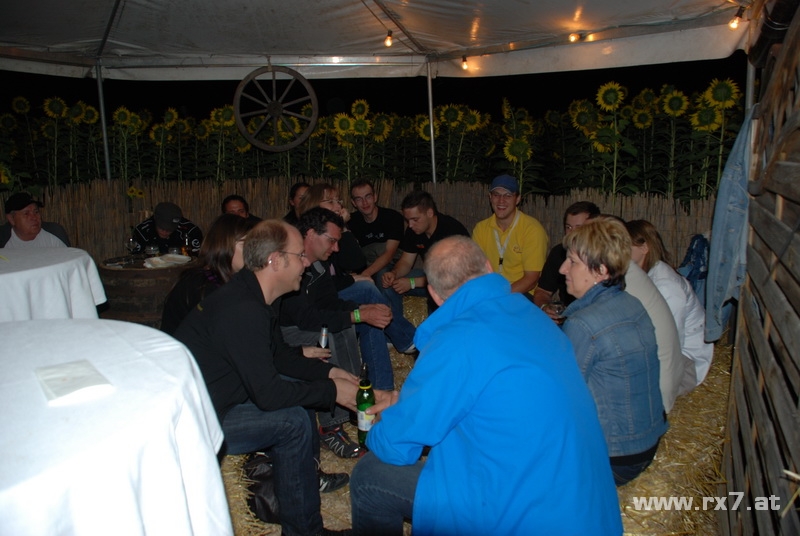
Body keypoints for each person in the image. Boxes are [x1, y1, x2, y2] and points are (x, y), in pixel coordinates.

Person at [350, 236, 622, 536]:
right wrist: (409, 406)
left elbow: (396, 446)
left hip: (521, 515)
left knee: (370, 475)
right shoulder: (535, 315)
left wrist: (382, 422)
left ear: (435, 295)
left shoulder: (455, 341)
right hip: (587, 508)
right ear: (490, 268)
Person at [173, 219, 377, 536]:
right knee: (292, 422)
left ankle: (301, 497)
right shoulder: (242, 308)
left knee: (299, 400)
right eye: (299, 255)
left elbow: (279, 356)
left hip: (222, 401)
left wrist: (330, 372)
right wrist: (331, 391)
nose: (306, 263)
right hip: (201, 421)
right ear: (275, 260)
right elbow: (268, 395)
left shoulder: (255, 295)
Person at [280, 208, 400, 458]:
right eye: (332, 241)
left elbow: (330, 302)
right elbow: (305, 318)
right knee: (328, 338)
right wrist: (357, 315)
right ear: (310, 234)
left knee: (345, 326)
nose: (336, 248)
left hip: (308, 323)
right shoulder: (290, 264)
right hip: (286, 332)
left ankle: (360, 402)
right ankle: (330, 426)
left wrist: (361, 310)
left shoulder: (319, 265)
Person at [559, 217, 668, 486]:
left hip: (615, 459)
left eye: (572, 262)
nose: (563, 269)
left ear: (601, 270)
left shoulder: (583, 324)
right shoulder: (632, 304)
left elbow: (561, 399)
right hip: (646, 443)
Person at [298, 183, 416, 354]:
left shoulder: (390, 217)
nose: (338, 206)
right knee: (367, 290)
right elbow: (325, 290)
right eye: (331, 201)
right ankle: (407, 338)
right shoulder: (308, 241)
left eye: (338, 201)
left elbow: (354, 263)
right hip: (320, 303)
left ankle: (384, 365)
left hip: (333, 291)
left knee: (373, 297)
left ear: (375, 197)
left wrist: (344, 228)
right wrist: (355, 283)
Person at [627, 219, 714, 389]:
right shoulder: (642, 275)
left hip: (685, 364)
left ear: (644, 248)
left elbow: (671, 343)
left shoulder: (667, 286)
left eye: (624, 246)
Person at [161, 214, 256, 335]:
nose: (252, 252)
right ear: (224, 245)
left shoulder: (228, 278)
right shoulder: (201, 286)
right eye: (245, 245)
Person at [381, 190, 469, 314]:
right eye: (408, 220)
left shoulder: (452, 230)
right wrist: (394, 274)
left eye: (415, 219)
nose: (410, 225)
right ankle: (402, 327)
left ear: (429, 213)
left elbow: (452, 276)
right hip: (428, 279)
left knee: (438, 293)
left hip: (455, 285)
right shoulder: (413, 231)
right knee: (389, 286)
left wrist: (412, 282)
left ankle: (436, 323)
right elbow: (406, 261)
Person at [472, 174, 548, 300]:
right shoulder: (481, 229)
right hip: (490, 293)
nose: (501, 201)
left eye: (508, 195)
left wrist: (499, 295)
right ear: (490, 197)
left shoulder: (532, 229)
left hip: (521, 294)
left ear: (517, 199)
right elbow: (475, 270)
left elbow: (531, 279)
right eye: (496, 195)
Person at [533, 200, 600, 308]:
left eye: (579, 228)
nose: (572, 233)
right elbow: (542, 291)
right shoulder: (559, 252)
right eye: (568, 227)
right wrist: (545, 306)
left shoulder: (602, 257)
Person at [347, 179, 404, 281]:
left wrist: (364, 275)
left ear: (375, 197)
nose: (364, 203)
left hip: (391, 266)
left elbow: (389, 254)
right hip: (364, 267)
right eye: (359, 199)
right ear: (353, 203)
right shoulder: (351, 222)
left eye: (368, 197)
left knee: (383, 274)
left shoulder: (392, 217)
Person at [2, 192, 69, 248]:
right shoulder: (3, 240)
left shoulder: (54, 233)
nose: (34, 218)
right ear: (11, 219)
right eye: (26, 214)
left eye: (36, 212)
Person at [132, 201, 203, 255]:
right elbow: (136, 257)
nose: (165, 232)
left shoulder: (190, 231)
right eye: (162, 228)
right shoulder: (142, 231)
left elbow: (198, 257)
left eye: (170, 229)